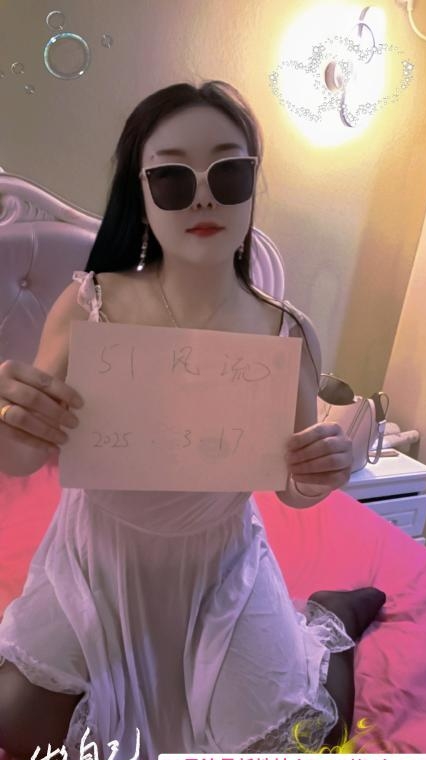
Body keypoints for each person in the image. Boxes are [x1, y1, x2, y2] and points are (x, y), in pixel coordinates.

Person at [0, 80, 386, 758]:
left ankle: (332, 620)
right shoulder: (90, 303)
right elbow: (25, 455)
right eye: (173, 178)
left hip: (220, 563)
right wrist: (10, 420)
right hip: (96, 554)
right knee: (18, 726)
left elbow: (292, 487)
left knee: (296, 740)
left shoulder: (284, 330)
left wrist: (320, 471)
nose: (203, 197)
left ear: (253, 184)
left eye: (228, 173)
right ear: (142, 193)